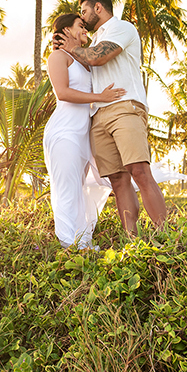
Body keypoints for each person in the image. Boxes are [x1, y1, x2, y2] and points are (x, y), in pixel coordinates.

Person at [55, 0, 167, 237]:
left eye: (84, 11)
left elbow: (98, 58)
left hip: (125, 106)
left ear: (98, 8)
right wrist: (65, 48)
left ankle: (167, 235)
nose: (82, 19)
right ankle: (132, 240)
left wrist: (73, 47)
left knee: (139, 170)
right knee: (118, 180)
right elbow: (77, 67)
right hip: (99, 115)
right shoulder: (92, 41)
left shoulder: (123, 28)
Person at [43, 13, 125, 249]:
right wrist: (100, 97)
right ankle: (70, 245)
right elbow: (63, 93)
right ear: (66, 30)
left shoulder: (85, 61)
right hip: (65, 133)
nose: (86, 31)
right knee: (67, 189)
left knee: (82, 189)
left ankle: (81, 241)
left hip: (83, 135)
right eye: (81, 26)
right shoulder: (58, 57)